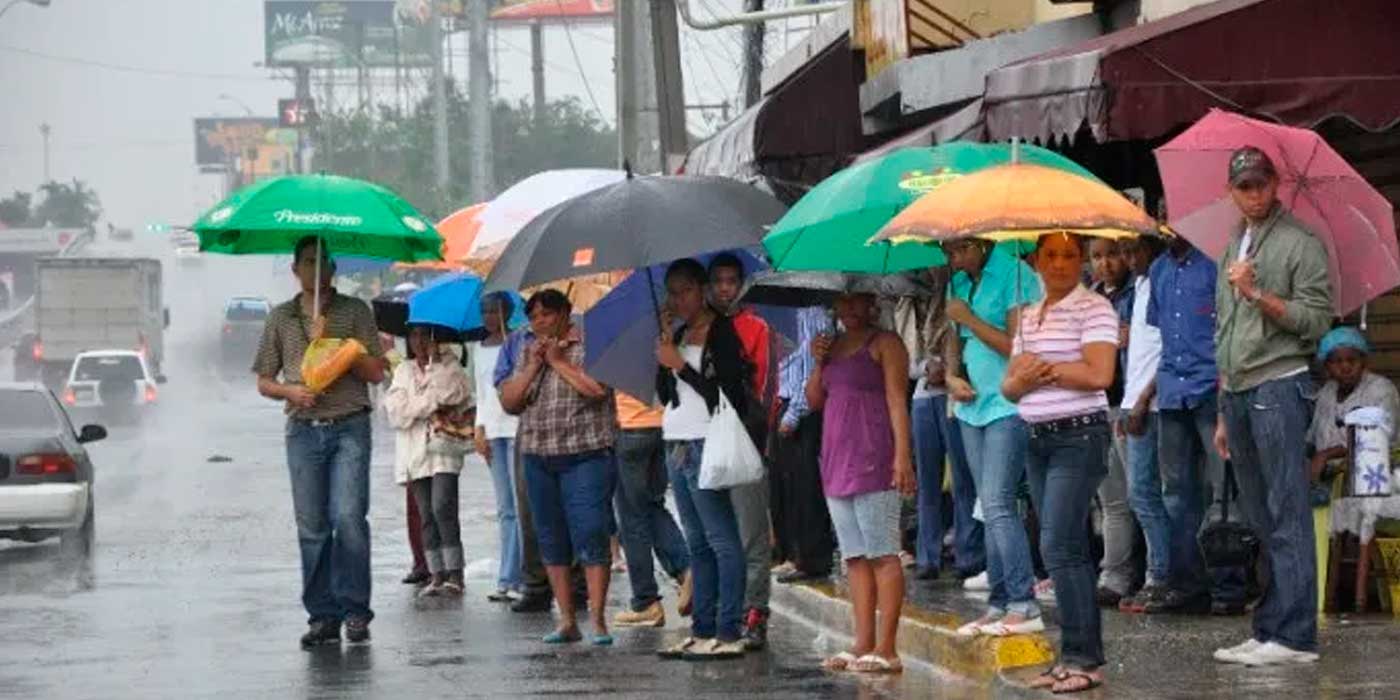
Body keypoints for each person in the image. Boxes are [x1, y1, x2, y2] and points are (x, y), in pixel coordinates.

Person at [1212, 146, 1333, 666]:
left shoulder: (1300, 244)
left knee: (1287, 509)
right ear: (1231, 191)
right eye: (1244, 186)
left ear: (1276, 183)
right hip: (1237, 389)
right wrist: (1222, 405)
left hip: (1280, 384)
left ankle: (1296, 636)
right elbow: (1224, 324)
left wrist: (1258, 293)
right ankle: (1270, 629)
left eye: (1261, 184)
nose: (1253, 194)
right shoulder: (1232, 244)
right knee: (1260, 515)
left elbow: (1317, 320)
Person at [252, 236, 386, 649]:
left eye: (323, 261)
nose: (316, 268)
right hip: (303, 430)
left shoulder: (355, 311)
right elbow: (264, 380)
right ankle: (322, 615)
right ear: (295, 269)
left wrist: (338, 348)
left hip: (348, 426)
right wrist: (290, 392)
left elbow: (376, 371)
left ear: (334, 269)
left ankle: (356, 611)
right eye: (308, 262)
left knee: (348, 518)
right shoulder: (279, 318)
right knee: (312, 526)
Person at [1003, 232, 1118, 694]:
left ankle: (1085, 660)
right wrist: (1023, 378)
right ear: (1035, 260)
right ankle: (1067, 655)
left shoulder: (1095, 308)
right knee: (1053, 547)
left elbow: (1099, 373)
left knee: (1061, 544)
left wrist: (1041, 371)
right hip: (1036, 437)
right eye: (1050, 255)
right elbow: (1009, 388)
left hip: (1079, 434)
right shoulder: (1030, 315)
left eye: (1071, 255)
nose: (1060, 264)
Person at [500, 290, 618, 646]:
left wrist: (559, 362)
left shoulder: (592, 344)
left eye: (548, 314)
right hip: (538, 455)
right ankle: (567, 619)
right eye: (534, 316)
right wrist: (537, 364)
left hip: (585, 454)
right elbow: (509, 401)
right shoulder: (526, 351)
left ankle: (597, 619)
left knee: (592, 532)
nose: (540, 322)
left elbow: (597, 389)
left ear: (567, 313)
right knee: (549, 538)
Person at [806, 292, 915, 673]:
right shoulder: (831, 347)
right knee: (854, 557)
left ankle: (888, 648)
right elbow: (814, 399)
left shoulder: (886, 343)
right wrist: (818, 362)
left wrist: (902, 456)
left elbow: (898, 400)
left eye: (858, 302)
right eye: (842, 303)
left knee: (884, 554)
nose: (849, 310)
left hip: (874, 458)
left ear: (872, 304)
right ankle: (862, 642)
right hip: (836, 462)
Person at [943, 239, 1044, 636]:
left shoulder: (1014, 274)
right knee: (989, 505)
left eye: (957, 250)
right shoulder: (958, 282)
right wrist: (952, 376)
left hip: (1008, 403)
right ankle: (1000, 602)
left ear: (979, 242)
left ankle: (1024, 602)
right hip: (972, 404)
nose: (952, 258)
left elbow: (1015, 347)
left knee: (1001, 501)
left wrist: (968, 318)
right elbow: (953, 341)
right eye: (947, 251)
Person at [655, 259, 754, 661]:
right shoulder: (677, 333)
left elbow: (726, 395)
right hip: (676, 440)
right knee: (696, 542)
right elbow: (665, 394)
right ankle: (702, 627)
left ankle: (729, 628)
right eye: (672, 292)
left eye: (685, 290)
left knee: (721, 539)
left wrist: (680, 365)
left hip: (706, 441)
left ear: (702, 289)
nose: (678, 299)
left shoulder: (721, 332)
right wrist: (665, 352)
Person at [1146, 234, 1249, 617]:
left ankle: (1229, 587)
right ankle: (1187, 586)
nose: (1169, 227)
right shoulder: (1157, 269)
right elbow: (1161, 333)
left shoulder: (1215, 264)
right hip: (1172, 390)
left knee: (1223, 489)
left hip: (1212, 387)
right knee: (1175, 493)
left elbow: (1230, 328)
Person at [707, 253, 774, 649]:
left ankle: (755, 613)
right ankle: (724, 610)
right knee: (718, 535)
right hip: (706, 441)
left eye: (732, 281)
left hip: (745, 436)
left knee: (751, 534)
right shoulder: (694, 329)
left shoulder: (755, 328)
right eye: (718, 281)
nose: (725, 288)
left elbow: (764, 385)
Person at [384, 325, 474, 597]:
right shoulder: (403, 370)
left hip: (444, 448)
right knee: (426, 515)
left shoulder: (449, 366)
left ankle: (455, 574)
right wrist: (427, 404)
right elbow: (396, 413)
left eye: (425, 336)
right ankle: (437, 574)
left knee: (442, 507)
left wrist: (420, 402)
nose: (420, 341)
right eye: (414, 336)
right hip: (414, 452)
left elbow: (452, 395)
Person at [1115, 236, 1172, 614]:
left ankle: (1160, 576)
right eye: (1125, 250)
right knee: (1142, 495)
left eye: (1136, 250)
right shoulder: (1137, 287)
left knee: (1147, 493)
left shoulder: (1162, 281)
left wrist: (1142, 399)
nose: (1129, 258)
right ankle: (1158, 573)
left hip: (1152, 405)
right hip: (1133, 401)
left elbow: (1170, 348)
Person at [895, 270, 961, 582]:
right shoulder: (906, 303)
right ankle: (928, 555)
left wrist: (947, 369)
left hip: (955, 393)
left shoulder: (958, 292)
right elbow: (904, 355)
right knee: (928, 482)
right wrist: (926, 368)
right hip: (924, 393)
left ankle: (968, 552)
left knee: (962, 479)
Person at [612, 390, 693, 628]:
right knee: (653, 505)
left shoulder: (613, 352)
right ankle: (686, 569)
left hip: (629, 426)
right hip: (661, 424)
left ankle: (645, 601)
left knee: (632, 519)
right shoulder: (653, 351)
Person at [769, 306, 837, 584]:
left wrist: (794, 413)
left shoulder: (814, 316)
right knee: (784, 489)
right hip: (781, 403)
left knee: (805, 489)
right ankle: (792, 554)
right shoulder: (782, 315)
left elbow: (811, 369)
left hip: (803, 410)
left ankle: (811, 558)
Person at [1087, 238, 1137, 607]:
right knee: (1112, 499)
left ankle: (1153, 573)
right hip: (1098, 405)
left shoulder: (1139, 292)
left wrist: (1130, 338)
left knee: (1143, 495)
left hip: (1130, 404)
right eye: (1097, 256)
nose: (1106, 263)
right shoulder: (1089, 299)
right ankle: (1114, 575)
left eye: (1113, 254)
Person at [469, 292, 524, 603]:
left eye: (495, 310)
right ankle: (507, 577)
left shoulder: (518, 343)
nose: (489, 316)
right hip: (493, 430)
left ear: (508, 311)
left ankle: (518, 576)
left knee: (520, 506)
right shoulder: (479, 348)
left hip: (516, 427)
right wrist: (479, 429)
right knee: (504, 509)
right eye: (485, 310)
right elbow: (481, 392)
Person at [1309, 327, 1400, 481]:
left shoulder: (1381, 389)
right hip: (1330, 477)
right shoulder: (1327, 392)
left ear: (1363, 362)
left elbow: (1381, 437)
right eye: (1337, 362)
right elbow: (1313, 436)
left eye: (1352, 360)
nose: (1345, 368)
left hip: (1373, 475)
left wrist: (1327, 454)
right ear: (1327, 367)